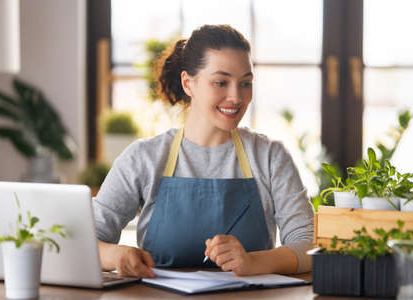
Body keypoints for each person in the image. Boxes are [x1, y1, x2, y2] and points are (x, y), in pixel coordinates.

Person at [94, 24, 314, 279]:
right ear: (188, 83)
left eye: (245, 83)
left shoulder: (270, 157)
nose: (236, 96)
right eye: (221, 82)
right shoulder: (144, 158)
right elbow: (85, 240)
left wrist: (254, 262)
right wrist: (115, 255)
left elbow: (308, 244)